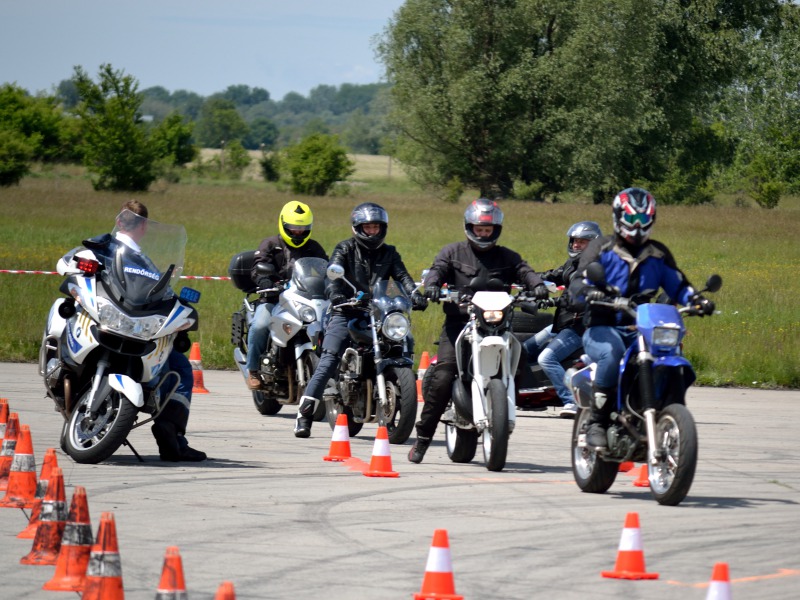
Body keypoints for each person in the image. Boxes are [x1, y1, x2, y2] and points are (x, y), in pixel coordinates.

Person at [569, 187, 715, 448]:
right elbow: (578, 281)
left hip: (642, 327)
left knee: (673, 358)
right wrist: (590, 292)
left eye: (643, 220)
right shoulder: (601, 248)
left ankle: (667, 412)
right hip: (603, 325)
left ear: (652, 220)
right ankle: (597, 423)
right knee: (612, 355)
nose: (638, 226)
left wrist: (696, 301)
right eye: (632, 219)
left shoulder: (657, 254)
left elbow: (678, 285)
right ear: (618, 217)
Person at [408, 198, 548, 463]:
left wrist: (537, 285)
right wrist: (434, 286)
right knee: (443, 375)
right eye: (479, 229)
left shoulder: (508, 256)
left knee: (519, 364)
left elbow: (524, 270)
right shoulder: (452, 252)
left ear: (496, 230)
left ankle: (501, 411)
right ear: (469, 227)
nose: (484, 233)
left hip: (497, 324)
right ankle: (423, 439)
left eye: (488, 229)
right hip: (460, 323)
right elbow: (437, 270)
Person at [81, 200, 206, 461]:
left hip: (118, 325)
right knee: (180, 368)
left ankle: (170, 436)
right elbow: (73, 264)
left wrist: (178, 310)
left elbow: (164, 293)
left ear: (118, 222)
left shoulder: (104, 247)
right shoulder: (130, 257)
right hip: (119, 325)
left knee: (178, 363)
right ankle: (172, 436)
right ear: (145, 226)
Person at [293, 202, 426, 438]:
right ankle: (304, 415)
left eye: (376, 227)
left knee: (402, 341)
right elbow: (332, 274)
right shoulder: (345, 248)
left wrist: (414, 294)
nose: (373, 232)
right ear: (358, 228)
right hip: (347, 310)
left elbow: (403, 276)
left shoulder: (390, 253)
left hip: (378, 311)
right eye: (368, 227)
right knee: (329, 358)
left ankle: (397, 392)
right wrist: (335, 294)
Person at [522, 221, 602, 418]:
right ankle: (529, 392)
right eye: (575, 241)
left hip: (580, 325)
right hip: (562, 323)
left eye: (582, 242)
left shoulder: (595, 269)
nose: (576, 245)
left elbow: (580, 298)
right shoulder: (572, 264)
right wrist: (529, 281)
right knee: (523, 351)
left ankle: (571, 401)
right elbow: (552, 275)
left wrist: (553, 302)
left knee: (546, 358)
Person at [245, 201, 328, 390]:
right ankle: (253, 370)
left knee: (329, 325)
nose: (298, 232)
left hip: (303, 300)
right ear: (283, 224)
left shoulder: (314, 248)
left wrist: (332, 283)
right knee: (260, 325)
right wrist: (264, 280)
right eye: (294, 228)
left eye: (302, 229)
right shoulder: (270, 245)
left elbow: (326, 269)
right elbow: (258, 267)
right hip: (273, 298)